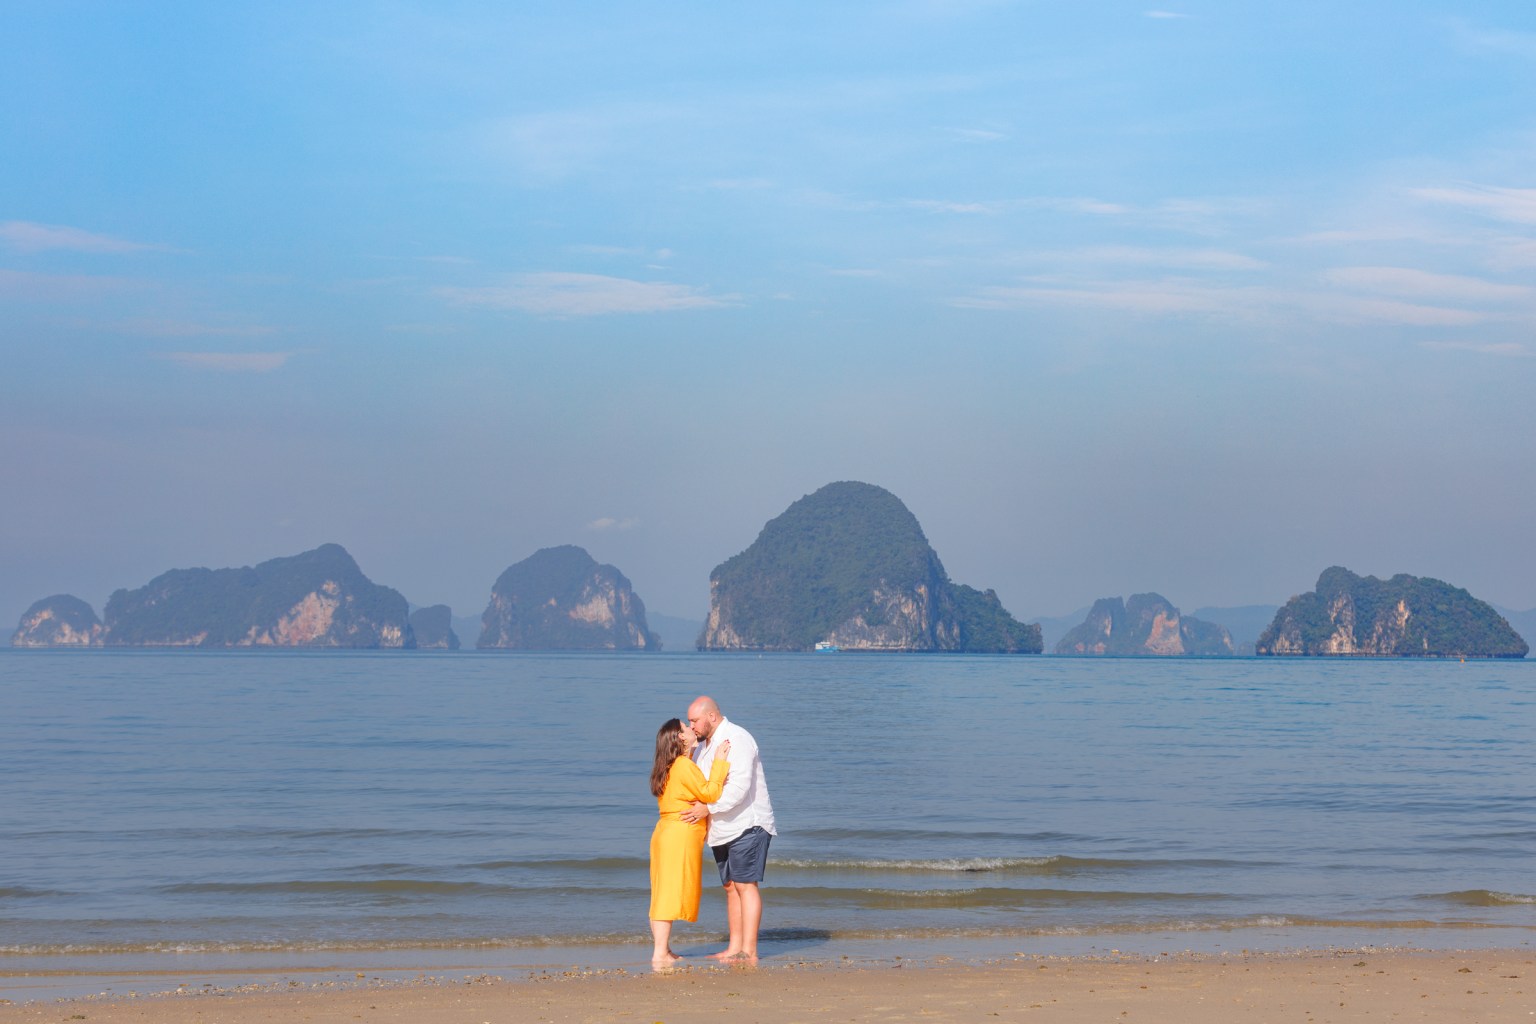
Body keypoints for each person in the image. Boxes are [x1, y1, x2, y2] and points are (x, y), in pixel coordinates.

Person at [682, 695, 776, 961]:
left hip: (748, 823)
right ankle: (735, 947)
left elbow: (739, 787)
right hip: (721, 827)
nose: (692, 727)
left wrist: (707, 809)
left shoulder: (737, 738)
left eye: (695, 721)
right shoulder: (703, 746)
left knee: (746, 885)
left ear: (711, 716)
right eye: (689, 722)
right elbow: (700, 784)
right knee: (730, 887)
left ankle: (750, 950)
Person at [647, 717, 731, 964]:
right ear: (680, 737)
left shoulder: (671, 766)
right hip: (678, 836)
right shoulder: (683, 765)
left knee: (662, 890)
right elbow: (710, 792)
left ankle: (662, 948)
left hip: (665, 832)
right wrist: (719, 762)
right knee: (667, 893)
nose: (691, 728)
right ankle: (660, 952)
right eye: (686, 727)